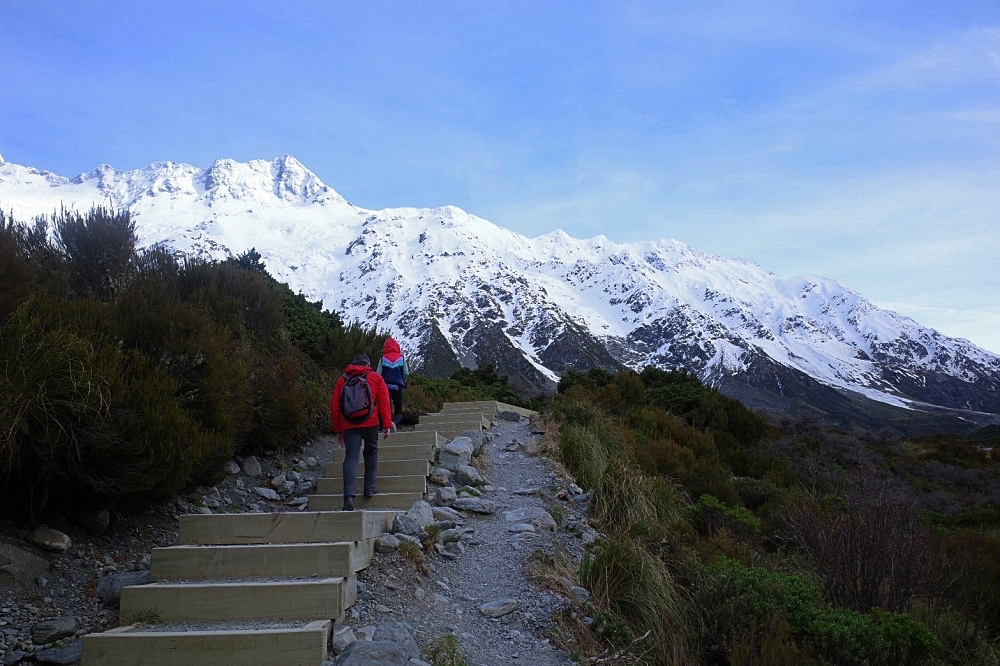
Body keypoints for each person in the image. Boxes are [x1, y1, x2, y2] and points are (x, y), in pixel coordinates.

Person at [330, 354, 392, 511]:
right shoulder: (376, 378)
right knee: (371, 452)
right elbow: (384, 402)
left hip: (349, 425)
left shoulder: (341, 380)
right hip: (370, 423)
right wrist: (386, 424)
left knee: (351, 456)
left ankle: (349, 496)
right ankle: (369, 487)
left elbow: (335, 407)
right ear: (368, 364)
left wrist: (338, 430)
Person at [377, 337, 409, 429]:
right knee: (398, 411)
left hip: (385, 387)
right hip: (397, 387)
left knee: (386, 408)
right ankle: (394, 423)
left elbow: (378, 374)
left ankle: (384, 426)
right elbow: (406, 372)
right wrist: (403, 381)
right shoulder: (401, 358)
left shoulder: (383, 359)